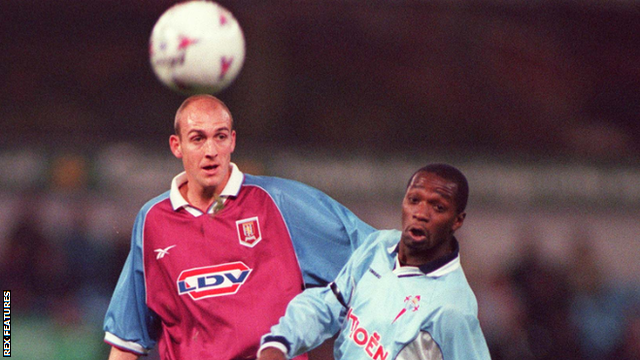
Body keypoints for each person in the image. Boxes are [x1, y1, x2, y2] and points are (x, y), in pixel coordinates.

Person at [103, 94, 375, 360]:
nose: (211, 151)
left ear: (232, 140)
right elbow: (126, 341)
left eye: (220, 137)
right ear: (176, 146)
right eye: (198, 139)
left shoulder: (281, 203)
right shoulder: (153, 220)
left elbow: (379, 256)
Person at [258, 164, 491, 360]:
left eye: (437, 207)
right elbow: (327, 306)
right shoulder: (377, 246)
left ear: (457, 221)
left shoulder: (452, 309)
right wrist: (280, 343)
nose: (421, 213)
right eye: (414, 200)